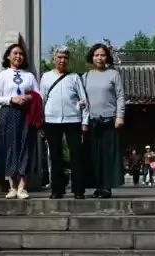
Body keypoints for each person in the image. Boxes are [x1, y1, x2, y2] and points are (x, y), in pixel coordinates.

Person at [38, 45, 90, 200]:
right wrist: (41, 119)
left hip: (73, 119)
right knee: (55, 155)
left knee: (76, 155)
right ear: (54, 58)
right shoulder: (46, 77)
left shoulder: (74, 77)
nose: (62, 60)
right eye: (59, 57)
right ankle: (57, 189)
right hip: (51, 119)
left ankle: (78, 189)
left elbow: (84, 100)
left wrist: (85, 121)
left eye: (65, 58)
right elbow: (42, 99)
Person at [0, 43, 39, 199]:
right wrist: (11, 99)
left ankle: (22, 187)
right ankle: (12, 185)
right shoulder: (2, 75)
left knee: (26, 146)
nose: (18, 56)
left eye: (21, 54)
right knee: (10, 147)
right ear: (8, 56)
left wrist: (29, 97)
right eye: (15, 53)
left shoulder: (29, 76)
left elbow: (39, 95)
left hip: (26, 114)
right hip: (8, 113)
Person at [81, 42, 126, 198]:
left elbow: (120, 96)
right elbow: (81, 98)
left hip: (109, 119)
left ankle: (107, 187)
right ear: (91, 57)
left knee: (108, 155)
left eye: (102, 55)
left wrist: (120, 115)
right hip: (91, 121)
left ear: (107, 57)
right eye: (96, 55)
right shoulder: (85, 76)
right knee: (93, 155)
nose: (99, 58)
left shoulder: (113, 74)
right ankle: (97, 186)